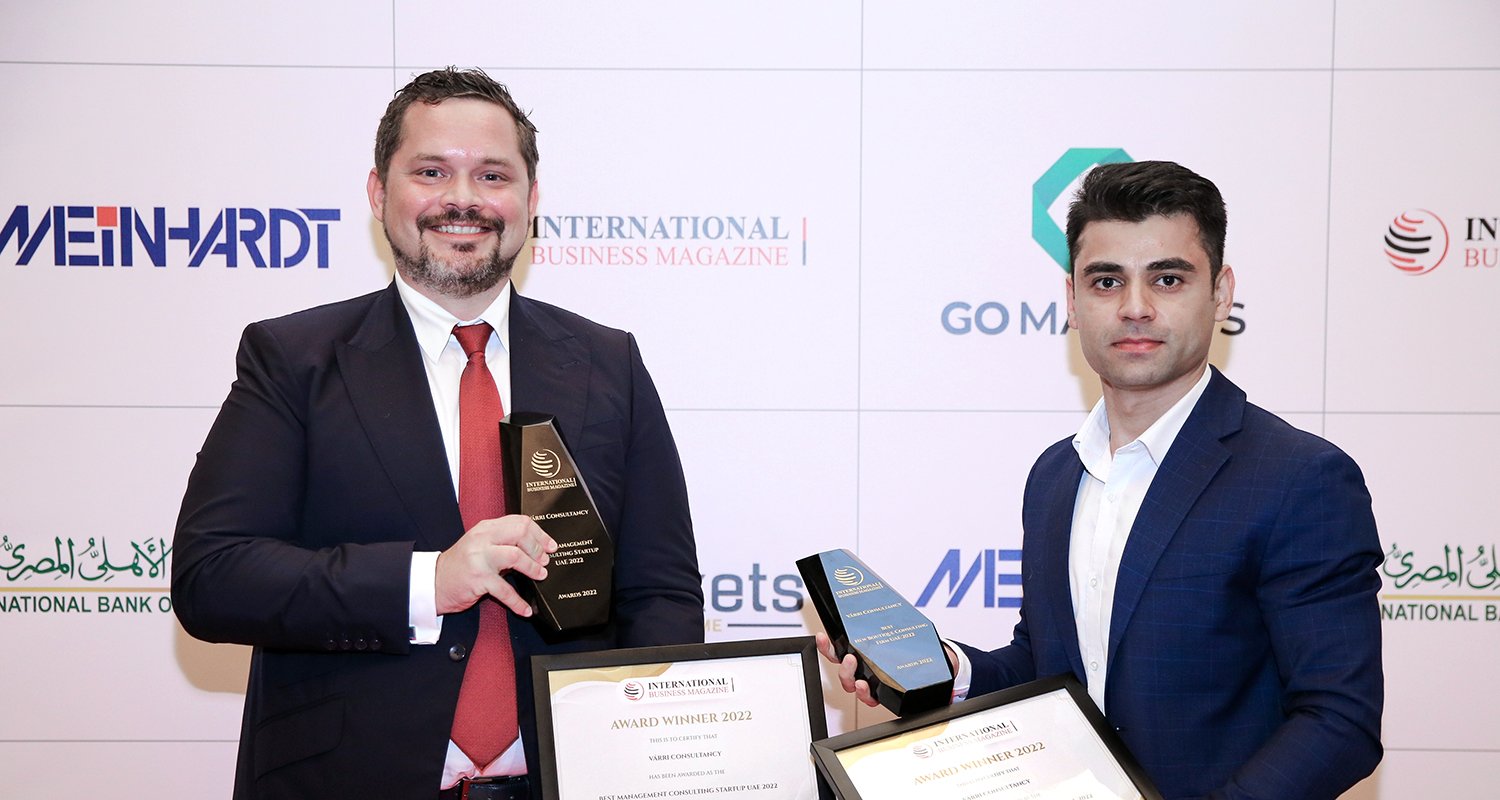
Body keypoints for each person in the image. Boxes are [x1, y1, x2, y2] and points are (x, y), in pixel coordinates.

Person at [173, 68, 704, 799]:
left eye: (493, 175)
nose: (463, 199)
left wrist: (645, 759)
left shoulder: (608, 363)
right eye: (431, 172)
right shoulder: (294, 360)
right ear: (377, 193)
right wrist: (428, 582)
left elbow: (660, 593)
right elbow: (213, 577)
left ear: (531, 200)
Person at [820, 161, 1383, 799]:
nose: (1135, 307)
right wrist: (940, 668)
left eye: (1167, 279)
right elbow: (1048, 671)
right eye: (1107, 281)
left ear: (1221, 294)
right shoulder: (1055, 476)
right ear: (1073, 301)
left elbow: (1339, 722)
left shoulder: (1300, 478)